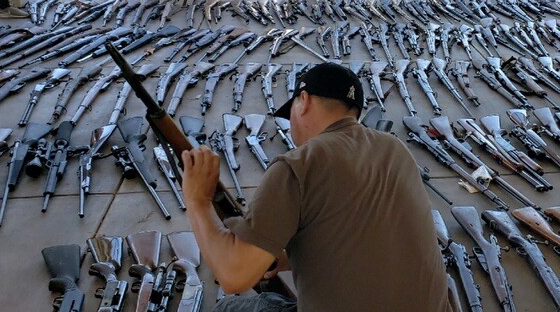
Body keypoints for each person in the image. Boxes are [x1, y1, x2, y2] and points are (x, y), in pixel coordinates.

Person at [181, 63, 454, 312]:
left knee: (228, 308)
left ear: (304, 100)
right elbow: (372, 233)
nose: (290, 128)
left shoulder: (298, 165)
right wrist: (290, 257)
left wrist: (198, 200)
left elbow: (232, 276)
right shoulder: (395, 148)